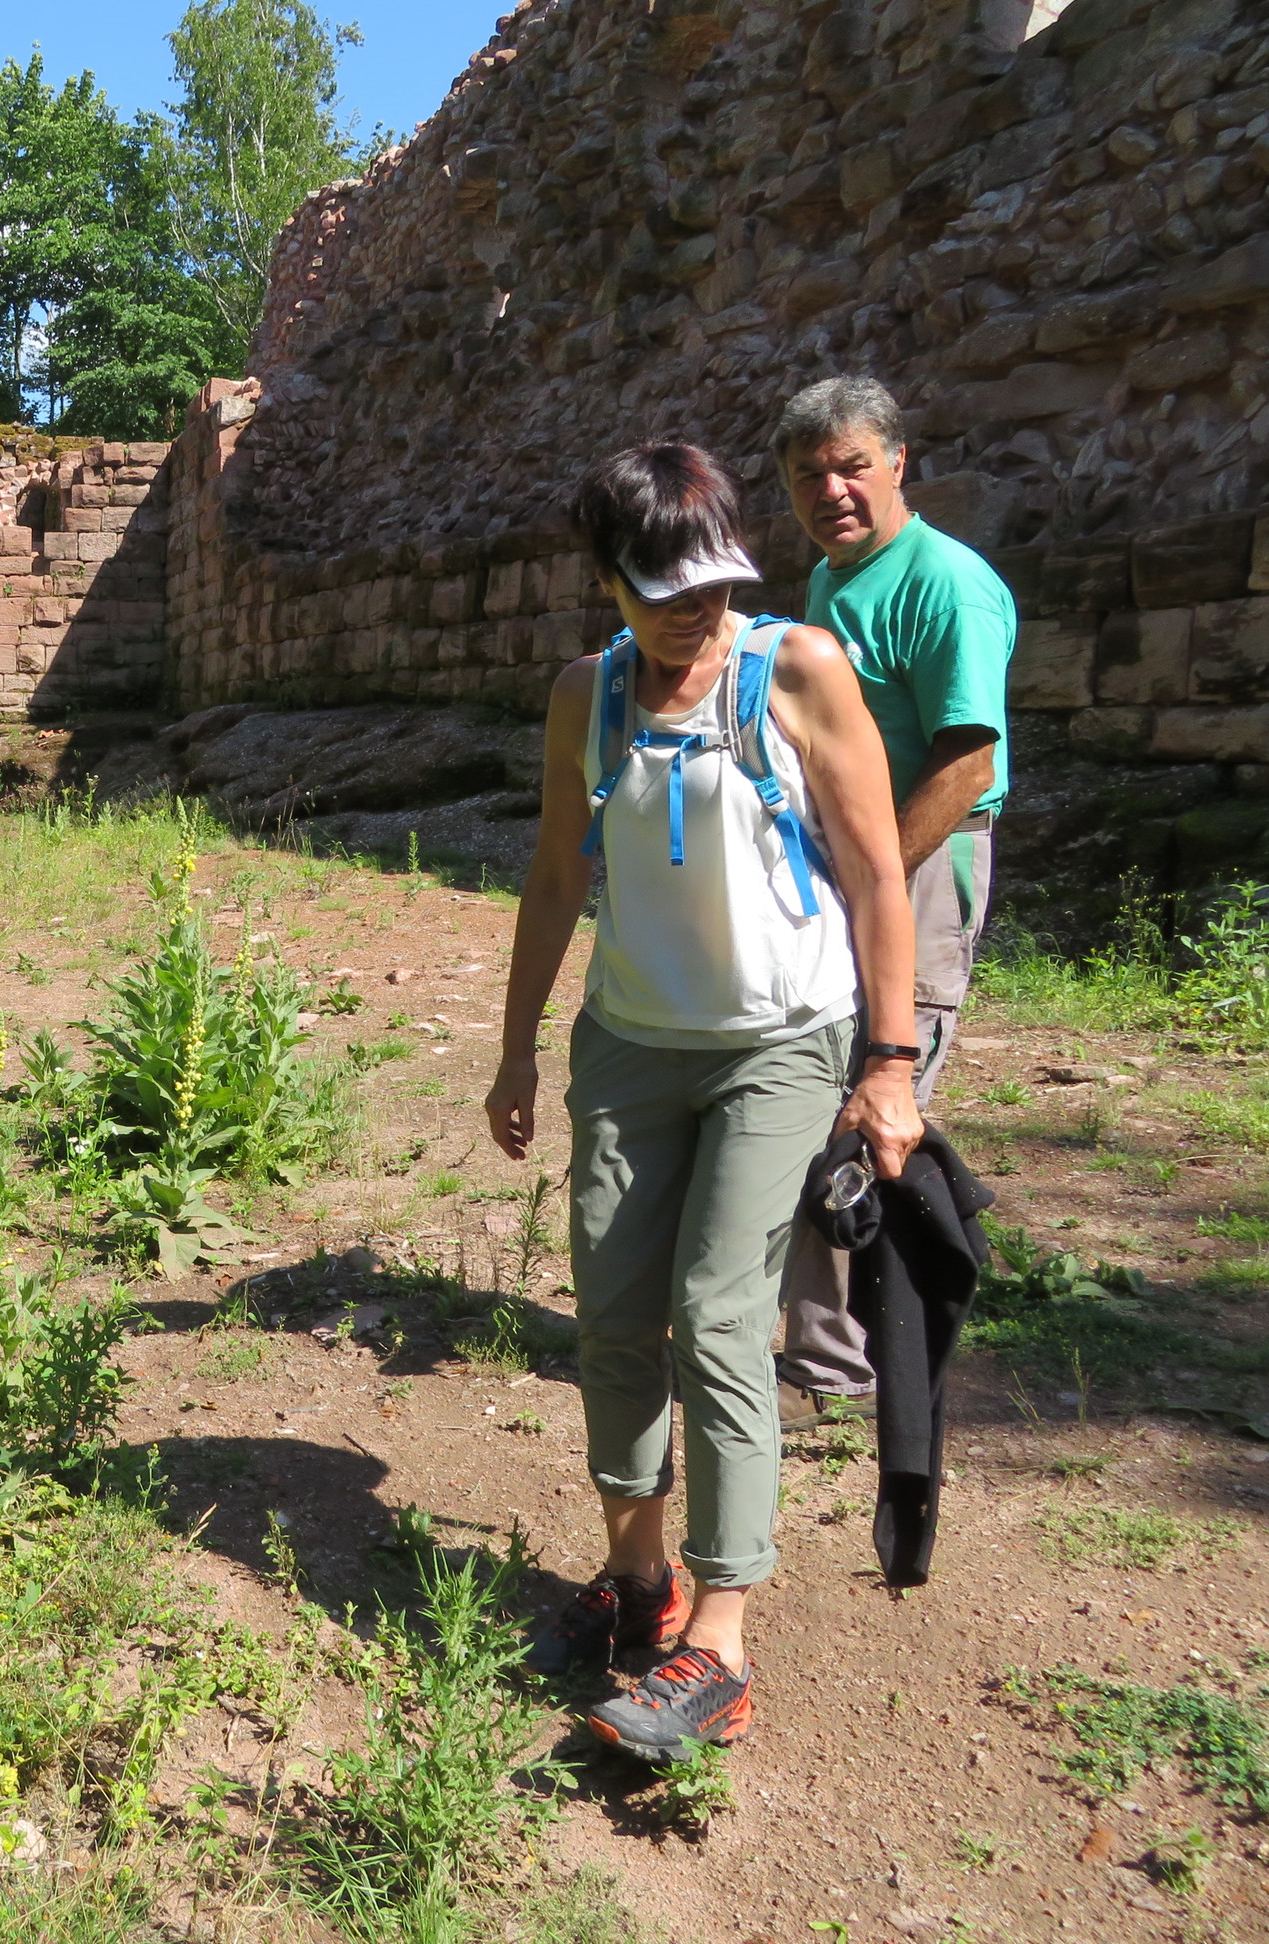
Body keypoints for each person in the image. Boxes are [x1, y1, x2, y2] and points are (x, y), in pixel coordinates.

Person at [484, 441, 922, 1760]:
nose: (700, 611)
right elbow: (555, 876)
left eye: (717, 583)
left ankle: (719, 1642)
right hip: (632, 1042)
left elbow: (877, 872)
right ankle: (638, 1576)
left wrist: (889, 1064)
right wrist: (516, 1050)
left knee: (720, 1312)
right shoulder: (589, 696)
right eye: (667, 590)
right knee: (616, 1308)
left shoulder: (796, 670)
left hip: (781, 1043)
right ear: (609, 582)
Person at [770, 377, 1015, 1430]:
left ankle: (838, 1365)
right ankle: (830, 1343)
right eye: (809, 474)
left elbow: (969, 762)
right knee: (816, 1085)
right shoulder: (833, 580)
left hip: (922, 863)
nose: (832, 490)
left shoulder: (945, 583)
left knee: (874, 1102)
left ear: (898, 462)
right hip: (854, 866)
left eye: (852, 466)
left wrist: (867, 876)